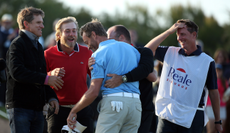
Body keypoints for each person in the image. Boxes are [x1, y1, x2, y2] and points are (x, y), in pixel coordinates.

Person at [145, 19, 222, 133]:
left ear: (194, 35)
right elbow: (146, 50)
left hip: (193, 117)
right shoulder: (170, 52)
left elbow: (213, 93)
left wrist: (217, 121)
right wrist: (168, 32)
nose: (179, 38)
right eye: (177, 34)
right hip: (168, 115)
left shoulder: (207, 62)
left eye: (182, 34)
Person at [67, 19, 141, 133]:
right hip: (135, 106)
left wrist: (74, 111)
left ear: (93, 34)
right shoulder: (132, 49)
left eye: (87, 42)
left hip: (114, 104)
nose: (88, 47)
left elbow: (93, 91)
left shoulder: (98, 54)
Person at [88, 25, 157, 133]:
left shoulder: (139, 52)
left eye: (109, 39)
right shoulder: (111, 54)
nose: (107, 42)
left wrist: (123, 78)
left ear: (121, 38)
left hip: (143, 107)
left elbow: (151, 74)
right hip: (128, 106)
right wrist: (94, 63)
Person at [5, 6, 64, 133]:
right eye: (38, 22)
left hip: (37, 108)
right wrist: (46, 79)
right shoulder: (17, 44)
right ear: (26, 24)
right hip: (20, 108)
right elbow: (17, 72)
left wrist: (51, 97)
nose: (42, 26)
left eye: (42, 22)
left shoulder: (37, 45)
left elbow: (42, 75)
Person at [44, 16, 94, 133]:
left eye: (74, 31)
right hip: (57, 110)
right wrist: (50, 74)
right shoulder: (47, 54)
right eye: (67, 31)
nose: (71, 34)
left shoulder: (87, 52)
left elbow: (96, 78)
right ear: (58, 35)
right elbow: (39, 78)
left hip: (82, 109)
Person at [0, 13, 18, 107]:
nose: (7, 24)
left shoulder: (14, 33)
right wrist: (8, 38)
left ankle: (4, 100)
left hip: (10, 62)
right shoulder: (2, 33)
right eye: (5, 22)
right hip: (1, 60)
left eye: (8, 22)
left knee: (7, 81)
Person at [206, 63, 227, 133]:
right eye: (216, 70)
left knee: (219, 130)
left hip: (222, 107)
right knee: (211, 130)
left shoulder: (225, 82)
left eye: (219, 70)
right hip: (210, 106)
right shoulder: (210, 80)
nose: (218, 72)